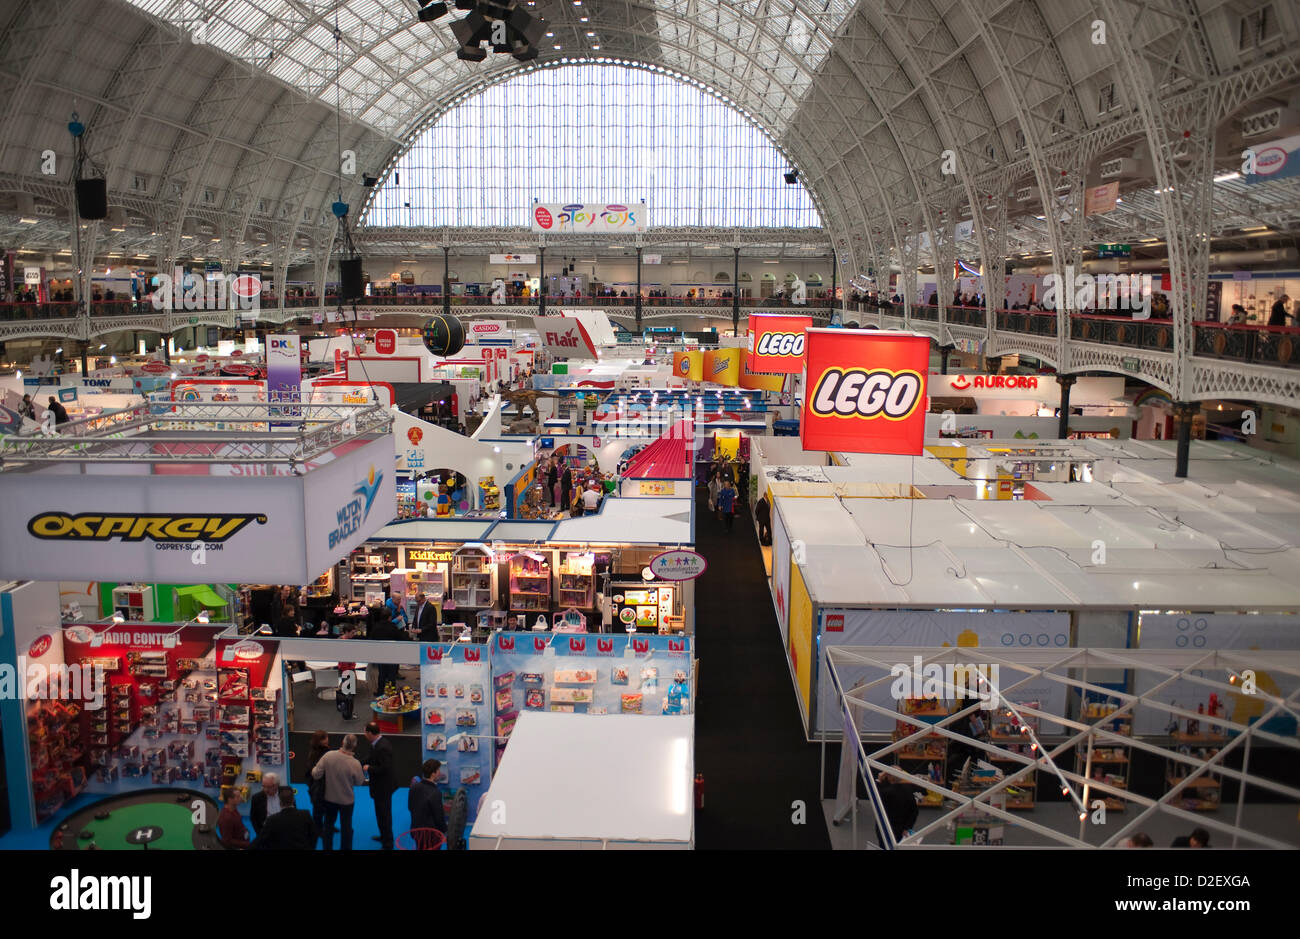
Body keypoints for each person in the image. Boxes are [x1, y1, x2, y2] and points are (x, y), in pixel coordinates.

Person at [311, 733, 365, 851]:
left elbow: (316, 774)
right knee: (346, 827)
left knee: (328, 825)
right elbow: (360, 782)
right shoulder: (355, 763)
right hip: (347, 801)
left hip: (329, 798)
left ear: (342, 742)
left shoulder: (328, 755)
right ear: (354, 747)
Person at [363, 721, 397, 850]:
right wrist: (358, 762)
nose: (364, 735)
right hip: (379, 787)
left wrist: (369, 768)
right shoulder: (376, 743)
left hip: (383, 787)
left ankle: (388, 843)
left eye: (365, 732)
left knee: (384, 815)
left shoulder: (383, 747)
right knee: (380, 814)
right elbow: (371, 757)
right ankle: (384, 836)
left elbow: (384, 768)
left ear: (371, 733)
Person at [251, 786, 317, 850]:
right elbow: (314, 834)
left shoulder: (272, 820)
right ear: (293, 800)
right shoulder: (306, 814)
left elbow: (260, 840)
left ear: (280, 802)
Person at [875, 769, 924, 845]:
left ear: (889, 777)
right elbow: (914, 811)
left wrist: (879, 780)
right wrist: (907, 827)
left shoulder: (885, 792)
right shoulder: (909, 789)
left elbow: (876, 799)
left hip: (885, 828)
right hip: (902, 830)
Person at [407, 759, 447, 836]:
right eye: (438, 770)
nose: (440, 772)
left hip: (415, 831)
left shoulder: (413, 788)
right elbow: (439, 817)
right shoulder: (435, 793)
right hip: (431, 834)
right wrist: (445, 830)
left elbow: (410, 807)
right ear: (433, 774)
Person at [305, 729, 330, 844]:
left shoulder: (326, 750)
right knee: (318, 808)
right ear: (318, 741)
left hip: (326, 785)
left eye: (326, 737)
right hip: (317, 785)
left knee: (328, 807)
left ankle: (327, 825)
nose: (327, 739)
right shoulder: (315, 754)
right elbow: (313, 771)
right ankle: (317, 829)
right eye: (324, 738)